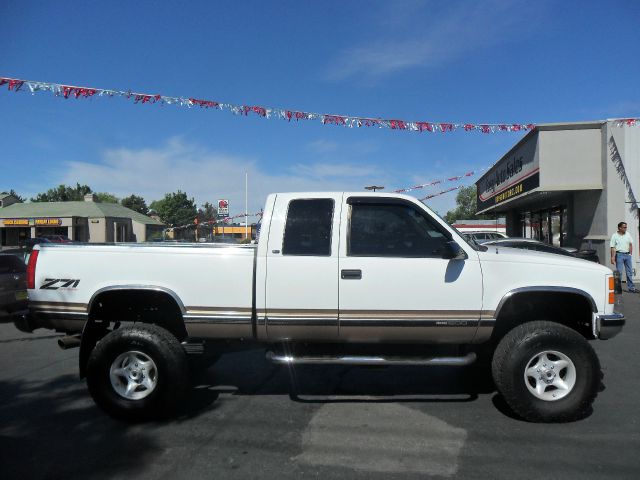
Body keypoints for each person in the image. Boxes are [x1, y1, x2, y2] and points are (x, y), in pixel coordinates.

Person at [610, 222, 637, 292]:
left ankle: (631, 288)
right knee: (619, 272)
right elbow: (612, 247)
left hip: (627, 255)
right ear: (620, 228)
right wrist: (612, 258)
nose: (626, 228)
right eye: (624, 227)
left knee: (629, 272)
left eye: (626, 227)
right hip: (619, 255)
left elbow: (630, 244)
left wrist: (630, 254)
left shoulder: (628, 234)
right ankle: (617, 289)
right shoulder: (614, 235)